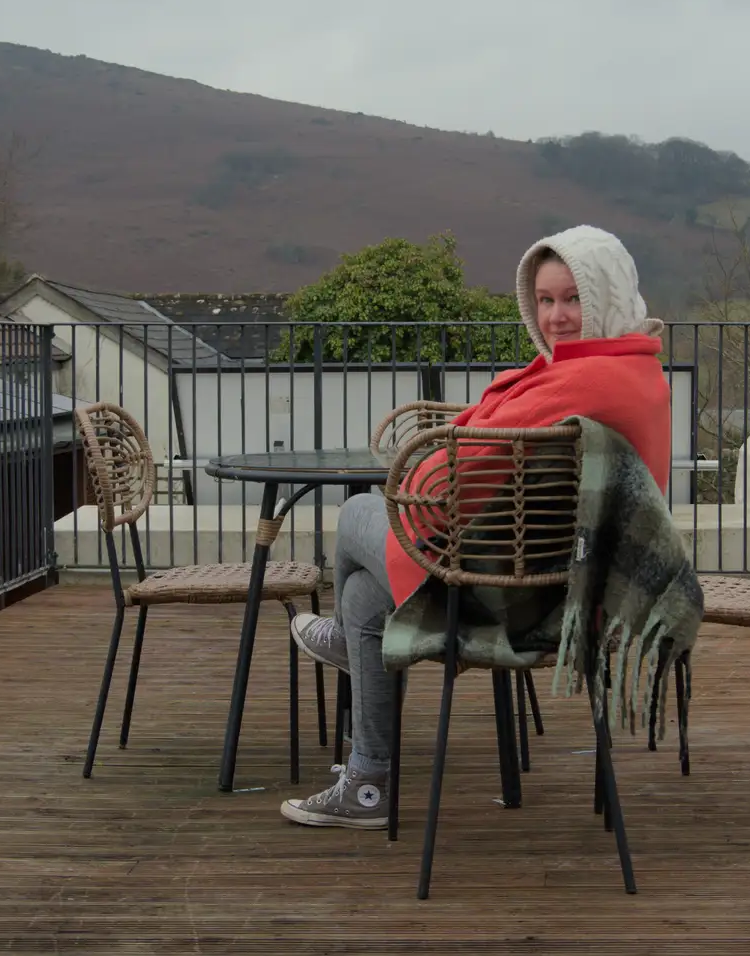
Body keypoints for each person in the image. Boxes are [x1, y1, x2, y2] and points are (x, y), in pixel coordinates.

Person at [279, 225, 673, 829]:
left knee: (359, 512)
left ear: (605, 295)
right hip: (574, 588)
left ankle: (351, 681)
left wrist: (418, 493)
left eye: (573, 298)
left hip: (518, 602)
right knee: (362, 595)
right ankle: (366, 781)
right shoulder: (634, 374)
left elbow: (440, 488)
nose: (557, 316)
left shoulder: (584, 380)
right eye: (545, 300)